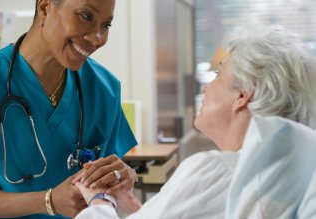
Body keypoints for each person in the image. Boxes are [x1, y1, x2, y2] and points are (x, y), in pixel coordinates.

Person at [71, 24, 316, 219]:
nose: (207, 87)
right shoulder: (277, 176)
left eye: (219, 74)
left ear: (242, 95)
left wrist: (99, 201)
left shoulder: (218, 170)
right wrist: (133, 204)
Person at [0, 0, 138, 218]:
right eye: (86, 16)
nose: (97, 38)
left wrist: (125, 176)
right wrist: (49, 201)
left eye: (106, 25)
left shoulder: (104, 89)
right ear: (45, 7)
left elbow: (105, 180)